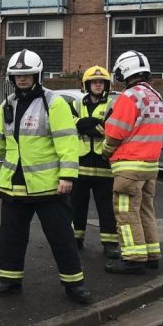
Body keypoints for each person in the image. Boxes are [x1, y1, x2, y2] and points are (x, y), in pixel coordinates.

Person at [0, 49, 92, 305]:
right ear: (11, 78)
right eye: (18, 76)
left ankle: (74, 286)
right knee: (11, 237)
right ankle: (10, 280)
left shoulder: (54, 103)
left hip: (50, 188)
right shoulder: (7, 105)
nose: (23, 80)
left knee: (62, 238)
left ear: (37, 75)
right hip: (13, 187)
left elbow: (68, 142)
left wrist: (68, 176)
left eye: (27, 75)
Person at [102, 50, 163, 274]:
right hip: (150, 166)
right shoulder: (155, 95)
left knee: (126, 213)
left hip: (129, 166)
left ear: (125, 71)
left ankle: (133, 258)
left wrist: (105, 150)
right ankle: (151, 254)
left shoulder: (129, 97)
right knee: (145, 210)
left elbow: (116, 132)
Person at [70, 65, 120, 259]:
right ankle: (76, 239)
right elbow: (71, 124)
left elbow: (110, 128)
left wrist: (87, 125)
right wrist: (91, 124)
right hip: (80, 165)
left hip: (103, 165)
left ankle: (110, 244)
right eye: (94, 82)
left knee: (106, 209)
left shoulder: (112, 105)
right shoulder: (76, 104)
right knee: (77, 206)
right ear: (87, 84)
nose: (98, 85)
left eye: (101, 82)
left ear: (106, 85)